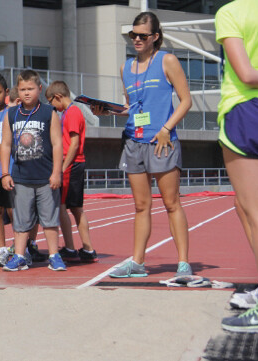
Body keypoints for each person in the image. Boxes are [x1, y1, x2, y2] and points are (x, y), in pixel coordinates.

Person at [92, 12, 192, 278]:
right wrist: (109, 111)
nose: (136, 39)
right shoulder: (126, 67)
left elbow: (186, 101)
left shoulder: (167, 60)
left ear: (155, 37)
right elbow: (133, 108)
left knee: (171, 203)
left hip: (161, 141)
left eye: (142, 35)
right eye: (132, 35)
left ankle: (183, 263)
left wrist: (165, 129)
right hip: (134, 141)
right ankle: (137, 263)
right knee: (140, 206)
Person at [215, 0, 258, 333]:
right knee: (243, 208)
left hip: (247, 111)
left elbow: (245, 73)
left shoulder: (231, 12)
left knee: (256, 212)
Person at [0, 69, 66, 272]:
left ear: (39, 89)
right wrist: (5, 173)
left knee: (49, 219)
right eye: (22, 89)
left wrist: (56, 172)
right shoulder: (11, 114)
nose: (27, 93)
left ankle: (54, 256)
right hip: (21, 178)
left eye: (30, 89)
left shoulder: (49, 113)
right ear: (16, 91)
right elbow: (5, 145)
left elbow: (57, 144)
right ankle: (19, 255)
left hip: (46, 177)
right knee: (21, 221)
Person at [0, 82, 43, 264]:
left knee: (14, 211)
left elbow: (21, 140)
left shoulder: (13, 114)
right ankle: (2, 250)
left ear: (6, 92)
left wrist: (3, 147)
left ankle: (20, 248)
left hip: (9, 170)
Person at [46, 81, 98, 263]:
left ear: (58, 97)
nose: (52, 107)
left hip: (71, 164)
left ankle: (71, 247)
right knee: (75, 208)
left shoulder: (73, 112)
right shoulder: (68, 113)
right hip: (72, 164)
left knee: (62, 206)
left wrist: (61, 168)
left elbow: (74, 143)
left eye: (51, 102)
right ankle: (87, 248)